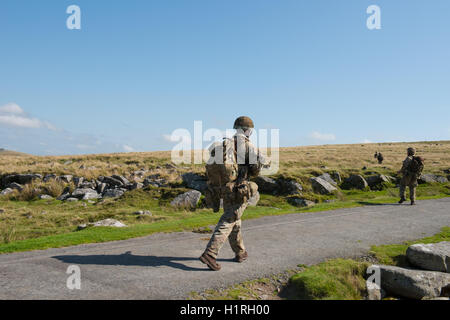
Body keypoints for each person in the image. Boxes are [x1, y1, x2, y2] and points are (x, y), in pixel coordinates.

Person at [200, 116, 267, 271]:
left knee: (235, 219)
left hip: (223, 189)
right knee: (229, 220)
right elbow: (255, 171)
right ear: (248, 130)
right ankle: (210, 254)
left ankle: (240, 252)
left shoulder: (224, 144)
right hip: (239, 189)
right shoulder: (248, 146)